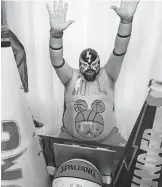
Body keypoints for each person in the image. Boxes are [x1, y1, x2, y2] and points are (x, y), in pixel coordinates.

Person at [47, 0, 140, 146]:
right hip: (69, 138)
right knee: (51, 163)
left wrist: (126, 22)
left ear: (99, 64)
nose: (90, 69)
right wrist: (56, 34)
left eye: (93, 65)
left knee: (127, 162)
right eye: (85, 66)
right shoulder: (70, 77)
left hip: (110, 139)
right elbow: (56, 60)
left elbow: (120, 51)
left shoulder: (108, 75)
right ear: (79, 65)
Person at [1, 25, 44, 128]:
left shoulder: (3, 30)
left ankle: (27, 119)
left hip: (7, 71)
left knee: (15, 96)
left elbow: (20, 51)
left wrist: (10, 71)